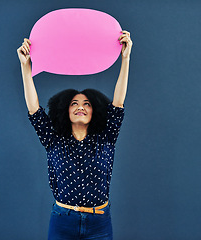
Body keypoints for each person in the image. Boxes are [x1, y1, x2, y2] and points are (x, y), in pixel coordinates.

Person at [17, 30, 132, 240]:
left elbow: (118, 103)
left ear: (94, 111)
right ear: (65, 111)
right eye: (74, 104)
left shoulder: (106, 138)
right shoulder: (53, 139)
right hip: (62, 221)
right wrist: (26, 68)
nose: (81, 107)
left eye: (87, 104)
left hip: (100, 223)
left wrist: (126, 59)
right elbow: (34, 109)